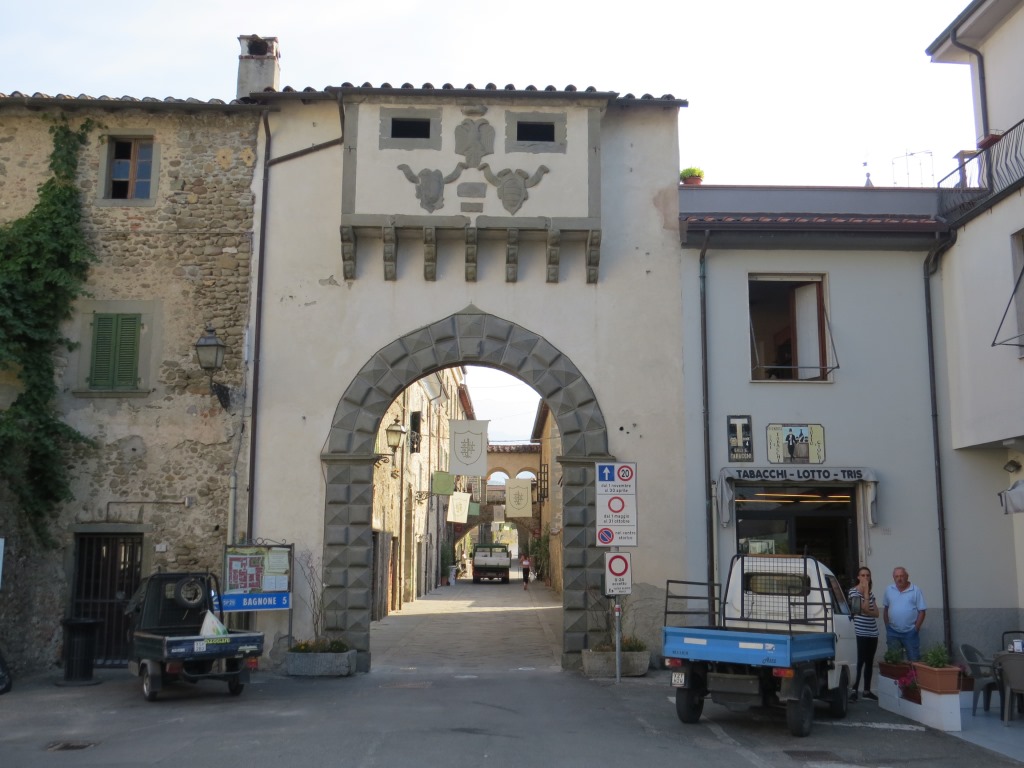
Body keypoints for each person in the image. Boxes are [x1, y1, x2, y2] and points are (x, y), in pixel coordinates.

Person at [848, 567, 880, 701]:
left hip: (872, 631)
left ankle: (867, 690)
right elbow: (863, 608)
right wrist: (866, 593)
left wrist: (867, 610)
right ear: (858, 577)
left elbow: (876, 613)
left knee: (869, 661)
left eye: (868, 575)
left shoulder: (871, 594)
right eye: (863, 575)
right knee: (859, 661)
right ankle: (854, 689)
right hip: (859, 630)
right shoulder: (853, 592)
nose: (865, 578)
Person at [883, 566, 927, 661]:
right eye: (896, 576)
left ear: (907, 576)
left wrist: (916, 628)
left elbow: (922, 611)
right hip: (893, 632)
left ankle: (913, 672)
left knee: (914, 660)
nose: (899, 579)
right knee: (894, 661)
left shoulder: (915, 590)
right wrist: (887, 626)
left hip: (910, 632)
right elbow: (886, 609)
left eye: (901, 576)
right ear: (893, 578)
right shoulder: (889, 590)